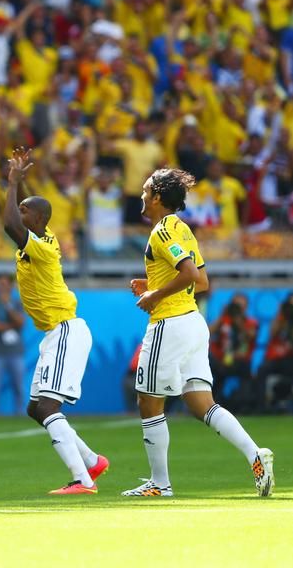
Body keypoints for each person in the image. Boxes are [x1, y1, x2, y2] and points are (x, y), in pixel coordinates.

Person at [123, 168, 274, 497]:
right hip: (192, 323)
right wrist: (153, 284)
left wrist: (154, 295)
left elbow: (190, 274)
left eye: (147, 189)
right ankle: (255, 454)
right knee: (201, 403)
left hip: (170, 324)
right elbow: (201, 281)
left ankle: (159, 484)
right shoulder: (183, 230)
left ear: (159, 196)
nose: (143, 195)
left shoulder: (162, 231)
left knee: (148, 401)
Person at [2, 147, 108, 495]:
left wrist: (12, 184)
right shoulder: (38, 237)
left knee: (49, 406)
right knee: (36, 408)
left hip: (65, 329)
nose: (19, 212)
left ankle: (83, 480)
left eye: (24, 210)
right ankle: (92, 461)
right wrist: (20, 183)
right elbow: (23, 214)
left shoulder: (42, 246)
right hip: (55, 332)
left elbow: (9, 223)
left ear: (37, 220)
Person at [209, 293, 258, 409]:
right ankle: (211, 403)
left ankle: (243, 404)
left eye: (240, 306)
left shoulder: (250, 322)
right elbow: (208, 332)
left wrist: (238, 321)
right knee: (215, 366)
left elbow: (251, 336)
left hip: (241, 361)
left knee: (244, 370)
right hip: (222, 360)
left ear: (246, 307)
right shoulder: (224, 320)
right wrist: (222, 317)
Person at [0, 275, 27, 415]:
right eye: (0, 284)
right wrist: (11, 326)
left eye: (4, 284)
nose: (2, 288)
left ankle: (21, 414)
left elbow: (21, 323)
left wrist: (7, 306)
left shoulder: (17, 303)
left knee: (19, 386)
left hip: (16, 352)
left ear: (10, 286)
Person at [257, 294, 293, 412]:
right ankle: (261, 406)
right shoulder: (280, 318)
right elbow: (272, 333)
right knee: (262, 369)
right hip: (276, 359)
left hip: (290, 358)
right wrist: (282, 315)